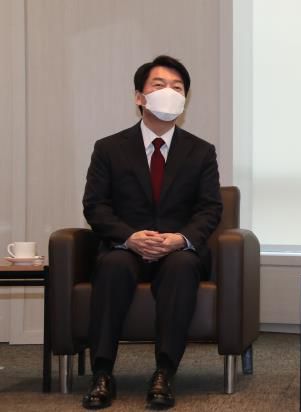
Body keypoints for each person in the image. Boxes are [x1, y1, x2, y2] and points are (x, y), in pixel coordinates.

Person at [81, 55, 222, 410]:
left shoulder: (201, 152)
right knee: (112, 266)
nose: (169, 92)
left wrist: (180, 239)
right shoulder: (109, 148)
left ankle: (164, 372)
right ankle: (102, 374)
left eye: (178, 88)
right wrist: (129, 237)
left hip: (176, 251)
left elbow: (210, 208)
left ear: (185, 100)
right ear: (139, 97)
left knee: (182, 266)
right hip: (125, 248)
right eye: (160, 85)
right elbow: (95, 206)